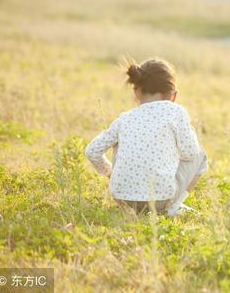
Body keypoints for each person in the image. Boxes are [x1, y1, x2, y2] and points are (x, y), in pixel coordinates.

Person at [84, 58, 208, 217]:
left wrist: (111, 174)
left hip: (124, 199)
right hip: (161, 199)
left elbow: (92, 151)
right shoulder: (176, 111)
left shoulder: (124, 118)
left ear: (136, 92)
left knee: (119, 145)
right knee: (201, 154)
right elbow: (190, 153)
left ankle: (133, 204)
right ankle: (172, 207)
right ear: (173, 96)